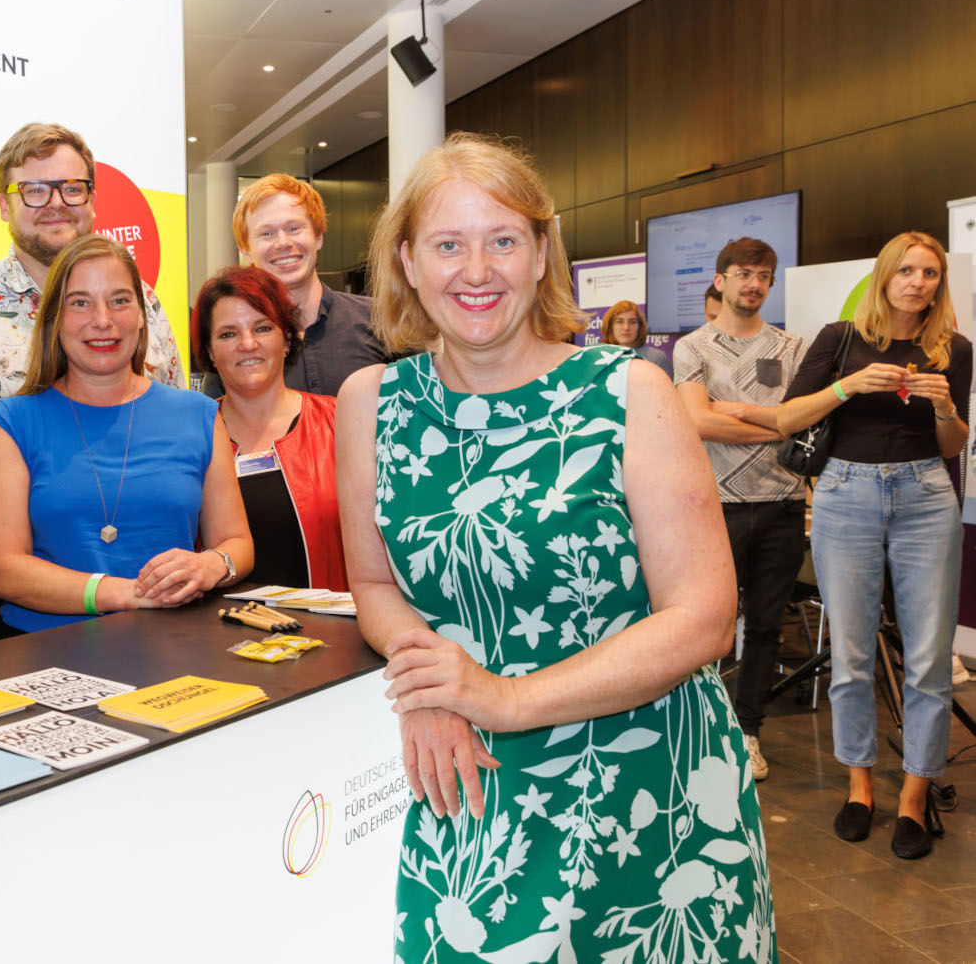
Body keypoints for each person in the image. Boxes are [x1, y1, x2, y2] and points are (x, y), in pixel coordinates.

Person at [338, 133, 772, 962]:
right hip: (474, 783)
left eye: (502, 240)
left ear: (541, 253)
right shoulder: (371, 403)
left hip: (650, 781)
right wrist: (427, 676)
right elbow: (372, 581)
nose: (476, 269)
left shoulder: (625, 390)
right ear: (406, 260)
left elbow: (704, 617)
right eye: (448, 244)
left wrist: (505, 697)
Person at [777, 231, 970, 860]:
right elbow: (788, 419)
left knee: (929, 659)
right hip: (846, 493)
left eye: (931, 273)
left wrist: (944, 407)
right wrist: (849, 386)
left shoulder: (955, 349)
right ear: (885, 276)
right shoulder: (839, 340)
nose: (918, 282)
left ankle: (914, 797)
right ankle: (859, 787)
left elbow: (952, 446)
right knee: (853, 654)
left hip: (926, 495)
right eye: (908, 270)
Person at [0, 235, 253, 632]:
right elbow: (4, 571)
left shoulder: (200, 415)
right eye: (80, 302)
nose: (102, 320)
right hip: (44, 658)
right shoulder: (12, 423)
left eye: (120, 300)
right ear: (55, 318)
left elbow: (237, 544)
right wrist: (127, 594)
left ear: (143, 314)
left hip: (175, 651)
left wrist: (211, 564)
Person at [0, 122, 184, 461]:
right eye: (34, 190)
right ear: (4, 206)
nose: (56, 203)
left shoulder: (143, 301)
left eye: (73, 189)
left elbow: (175, 422)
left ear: (92, 201)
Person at [671, 238, 806, 782]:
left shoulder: (794, 347)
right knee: (709, 623)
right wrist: (773, 421)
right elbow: (698, 423)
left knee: (768, 627)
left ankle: (748, 732)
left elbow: (802, 420)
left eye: (764, 276)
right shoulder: (693, 347)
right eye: (745, 273)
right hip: (715, 505)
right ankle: (700, 727)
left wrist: (745, 414)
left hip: (783, 503)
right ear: (721, 279)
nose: (754, 284)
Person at [191, 266, 347, 590]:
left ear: (286, 339)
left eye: (262, 328)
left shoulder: (340, 423)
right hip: (214, 637)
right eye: (228, 334)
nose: (248, 344)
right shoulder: (191, 438)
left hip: (330, 632)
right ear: (210, 352)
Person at [232, 173, 391, 396]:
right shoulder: (236, 344)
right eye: (267, 233)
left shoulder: (383, 320)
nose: (283, 243)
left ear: (318, 237)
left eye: (294, 228)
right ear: (246, 251)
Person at [599, 299, 672, 376]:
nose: (626, 327)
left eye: (632, 322)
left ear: (640, 327)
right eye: (620, 322)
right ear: (610, 326)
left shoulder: (656, 357)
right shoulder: (600, 357)